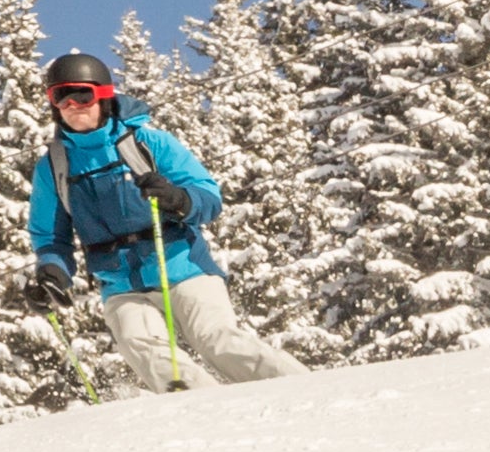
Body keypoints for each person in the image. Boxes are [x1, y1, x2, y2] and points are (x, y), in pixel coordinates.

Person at [30, 51, 300, 391]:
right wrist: (52, 270)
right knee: (143, 346)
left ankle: (302, 388)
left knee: (216, 338)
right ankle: (206, 410)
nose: (72, 104)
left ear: (102, 94)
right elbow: (50, 236)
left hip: (181, 264)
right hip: (120, 281)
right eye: (60, 96)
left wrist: (178, 200)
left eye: (81, 94)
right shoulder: (54, 166)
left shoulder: (148, 142)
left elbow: (208, 196)